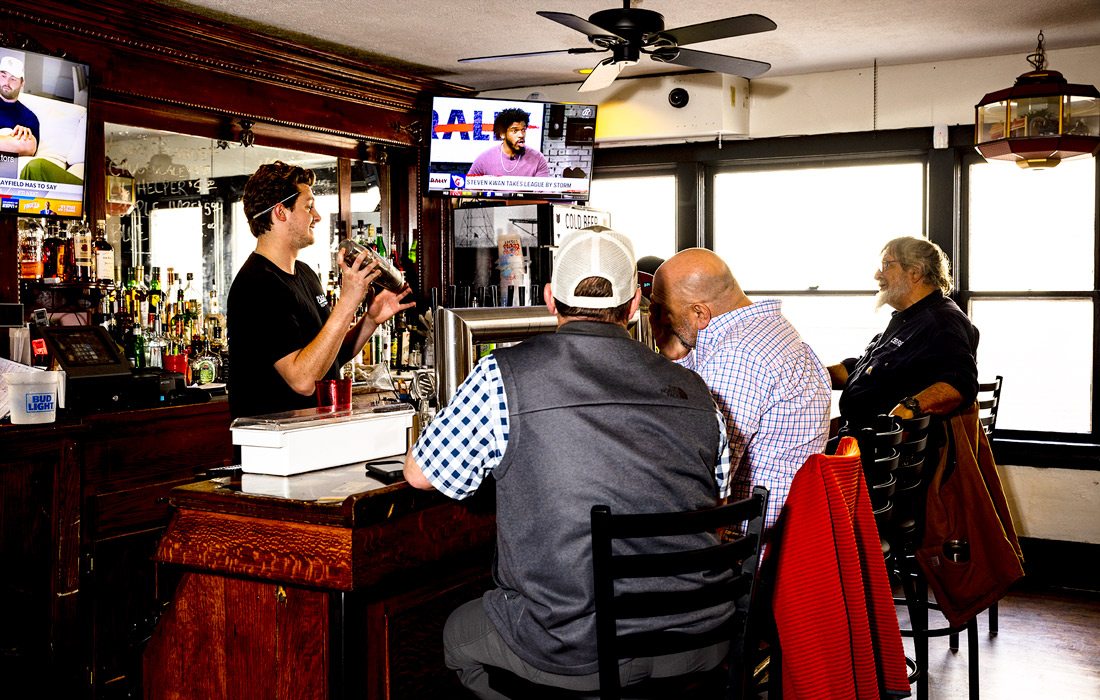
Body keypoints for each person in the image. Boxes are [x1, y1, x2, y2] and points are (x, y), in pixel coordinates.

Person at [403, 227, 733, 698]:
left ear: (549, 299)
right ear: (635, 304)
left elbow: (421, 473)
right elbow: (715, 496)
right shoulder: (698, 390)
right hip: (698, 637)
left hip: (577, 650)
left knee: (458, 636)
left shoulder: (504, 374)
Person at [649, 248, 831, 530]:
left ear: (699, 312)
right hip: (790, 524)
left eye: (663, 310)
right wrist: (677, 355)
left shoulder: (738, 356)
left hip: (748, 540)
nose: (657, 319)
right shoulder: (768, 329)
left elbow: (698, 472)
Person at [227, 160, 413, 418]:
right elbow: (303, 381)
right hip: (275, 448)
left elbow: (330, 357)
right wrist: (348, 302)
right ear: (281, 212)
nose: (317, 216)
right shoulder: (256, 285)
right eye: (309, 206)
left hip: (310, 437)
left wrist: (370, 320)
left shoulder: (304, 273)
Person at [829, 235, 979, 431]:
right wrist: (812, 374)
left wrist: (907, 409)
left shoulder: (941, 320)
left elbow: (960, 383)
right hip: (860, 438)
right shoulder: (909, 318)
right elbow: (865, 368)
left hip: (888, 451)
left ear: (915, 272)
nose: (877, 274)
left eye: (886, 265)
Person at [466, 107, 550, 178]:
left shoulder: (538, 159)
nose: (521, 135)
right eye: (515, 131)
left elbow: (543, 194)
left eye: (523, 130)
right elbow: (467, 189)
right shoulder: (484, 159)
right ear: (502, 134)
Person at [0, 56, 40, 158]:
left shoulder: (29, 118)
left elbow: (29, 148)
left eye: (13, 79)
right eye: (3, 76)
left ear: (22, 83)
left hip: (4, 165)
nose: (6, 83)